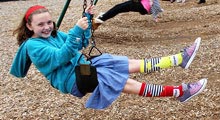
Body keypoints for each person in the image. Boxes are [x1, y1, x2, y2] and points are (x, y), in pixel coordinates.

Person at [10, 5, 207, 110]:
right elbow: (61, 57)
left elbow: (80, 44)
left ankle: (178, 60)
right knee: (123, 81)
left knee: (123, 63)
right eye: (40, 25)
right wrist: (75, 31)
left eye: (49, 22)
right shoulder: (33, 46)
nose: (47, 27)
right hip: (75, 79)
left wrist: (86, 24)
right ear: (29, 26)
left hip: (83, 66)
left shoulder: (54, 34)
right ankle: (179, 92)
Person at [92, 0, 164, 30]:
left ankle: (99, 21)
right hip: (143, 5)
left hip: (142, 5)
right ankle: (101, 19)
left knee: (119, 8)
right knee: (119, 8)